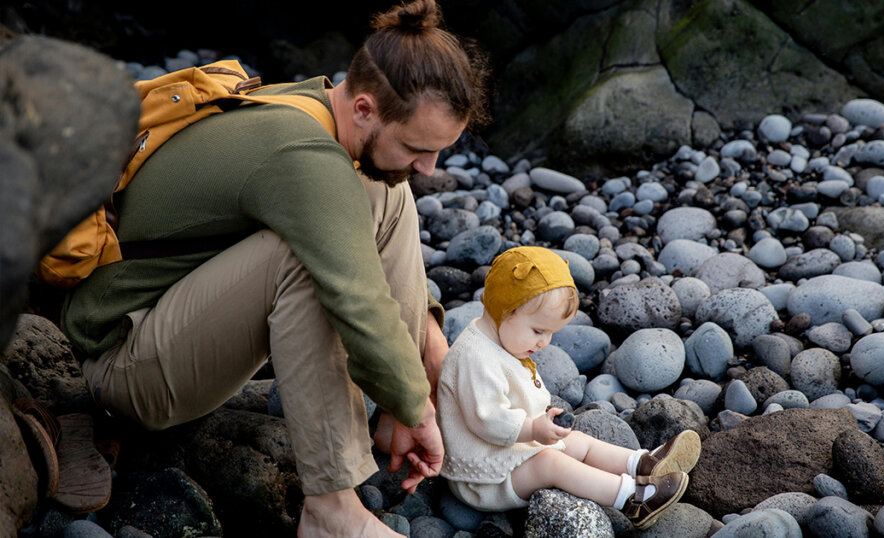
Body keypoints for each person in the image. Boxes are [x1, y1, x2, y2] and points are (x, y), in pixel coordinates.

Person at [59, 1, 488, 536]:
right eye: (418, 148)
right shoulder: (304, 155)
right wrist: (421, 411)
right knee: (305, 261)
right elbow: (355, 297)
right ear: (363, 107)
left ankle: (399, 399)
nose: (430, 168)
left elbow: (371, 216)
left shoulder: (312, 99)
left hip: (177, 319)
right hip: (123, 366)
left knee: (387, 189)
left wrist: (425, 360)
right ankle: (330, 510)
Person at [436, 246, 702, 530]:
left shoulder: (504, 341)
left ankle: (643, 464)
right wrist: (534, 428)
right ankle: (633, 499)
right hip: (484, 478)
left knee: (578, 442)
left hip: (511, 453)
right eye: (538, 331)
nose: (544, 342)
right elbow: (487, 419)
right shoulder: (474, 357)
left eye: (551, 333)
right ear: (504, 310)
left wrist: (542, 418)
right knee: (552, 464)